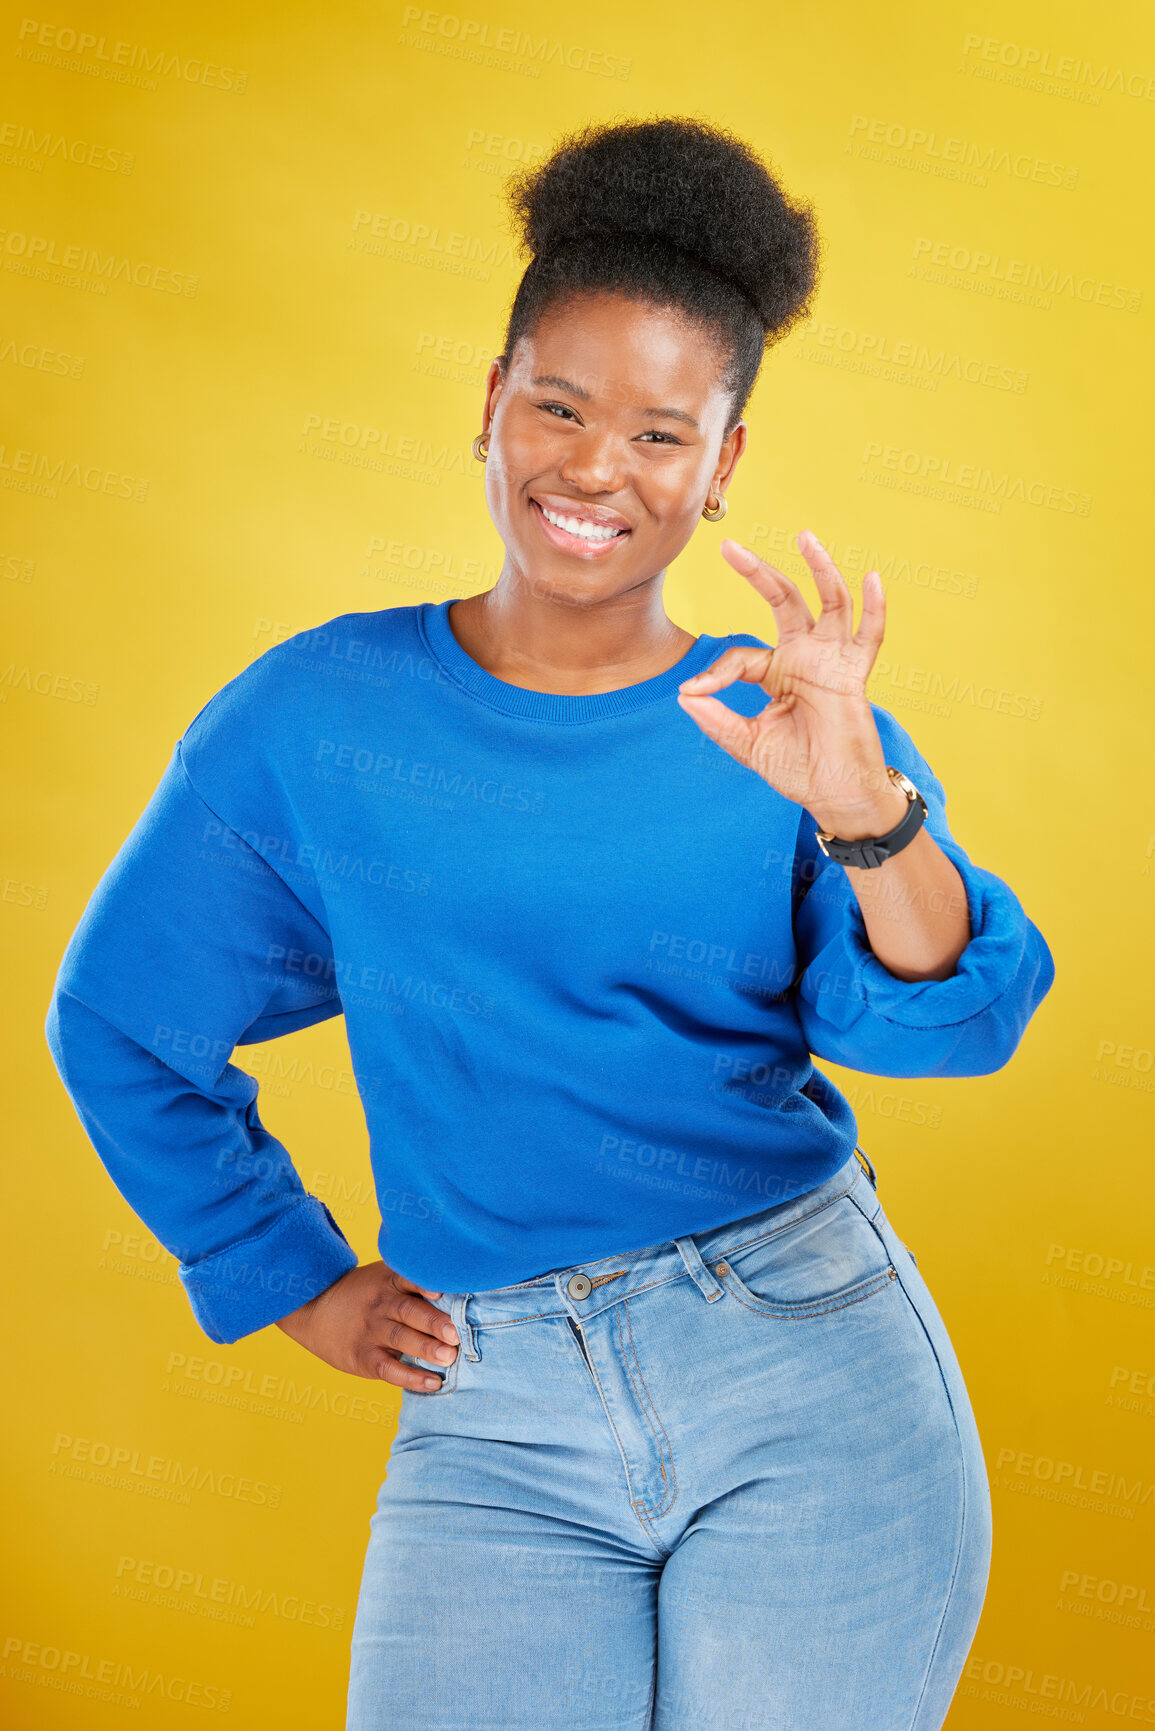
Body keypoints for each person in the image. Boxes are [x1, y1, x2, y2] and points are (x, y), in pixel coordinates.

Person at [45, 116, 1055, 1731]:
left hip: (805, 1366)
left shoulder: (779, 719)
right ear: (490, 404)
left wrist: (863, 807)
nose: (596, 469)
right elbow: (119, 1019)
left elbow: (955, 1018)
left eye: (661, 434)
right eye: (560, 407)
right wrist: (289, 1276)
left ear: (722, 465)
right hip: (493, 1409)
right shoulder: (315, 718)